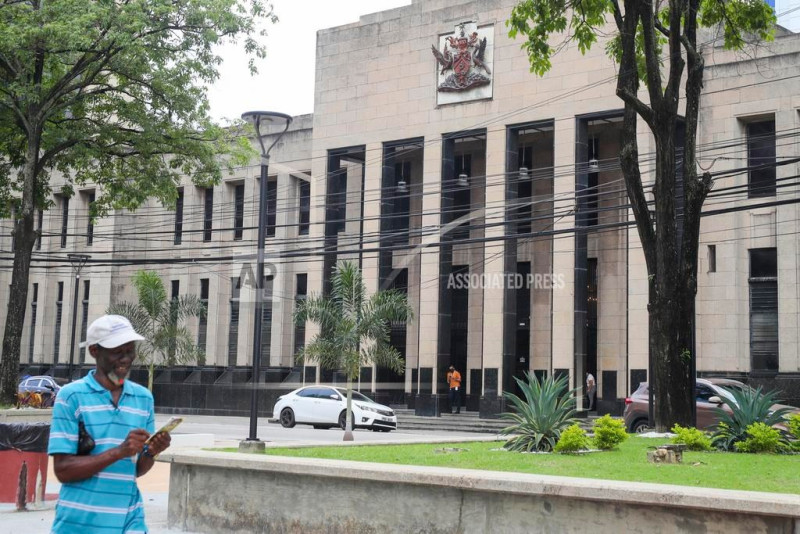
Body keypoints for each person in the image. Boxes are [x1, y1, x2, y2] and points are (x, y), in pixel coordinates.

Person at [48, 314, 172, 533]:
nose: (126, 358)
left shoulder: (143, 398)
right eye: (117, 351)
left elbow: (135, 470)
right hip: (80, 523)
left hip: (129, 520)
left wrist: (152, 452)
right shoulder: (71, 396)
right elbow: (63, 470)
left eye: (130, 350)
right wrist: (119, 451)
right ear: (94, 351)